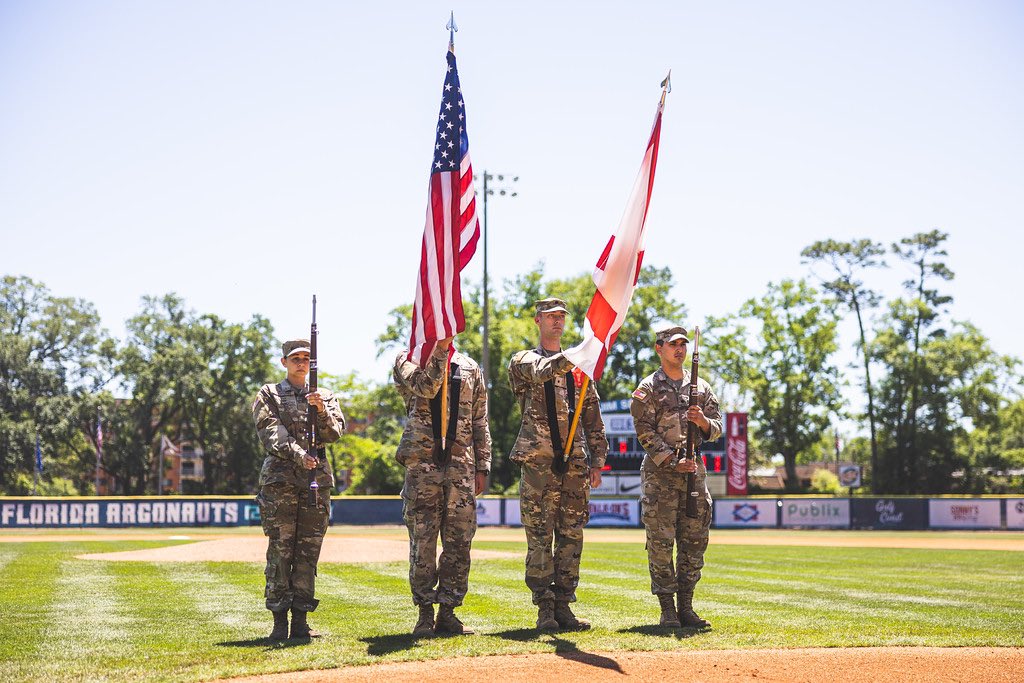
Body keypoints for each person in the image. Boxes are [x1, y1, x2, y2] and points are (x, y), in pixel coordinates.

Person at [507, 298, 607, 631]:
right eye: (550, 317)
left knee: (571, 536)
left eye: (561, 317)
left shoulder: (581, 371)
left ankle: (564, 604)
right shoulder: (524, 360)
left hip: (575, 463)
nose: (557, 322)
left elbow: (593, 418)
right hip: (539, 462)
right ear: (537, 321)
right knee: (539, 536)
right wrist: (579, 354)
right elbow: (541, 371)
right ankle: (544, 608)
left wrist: (598, 460)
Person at [393, 336, 491, 636]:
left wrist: (483, 465)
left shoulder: (470, 367)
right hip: (423, 466)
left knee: (459, 541)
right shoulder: (407, 361)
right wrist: (440, 352)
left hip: (460, 466)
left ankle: (448, 611)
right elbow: (427, 386)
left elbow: (479, 419)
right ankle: (424, 612)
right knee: (423, 541)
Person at [629, 325, 722, 628]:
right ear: (659, 348)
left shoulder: (702, 388)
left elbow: (717, 428)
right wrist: (670, 460)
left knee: (694, 540)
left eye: (683, 344)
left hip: (694, 476)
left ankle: (687, 606)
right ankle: (667, 607)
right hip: (661, 477)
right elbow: (643, 431)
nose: (679, 349)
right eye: (672, 345)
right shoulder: (648, 388)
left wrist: (703, 421)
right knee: (661, 542)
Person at [252, 338, 345, 641]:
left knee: (308, 552)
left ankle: (301, 621)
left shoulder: (324, 395)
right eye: (295, 358)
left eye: (306, 358)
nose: (301, 363)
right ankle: (279, 621)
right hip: (281, 482)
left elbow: (334, 433)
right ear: (284, 362)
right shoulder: (270, 393)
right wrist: (297, 453)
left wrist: (322, 410)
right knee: (281, 550)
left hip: (316, 483)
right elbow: (271, 432)